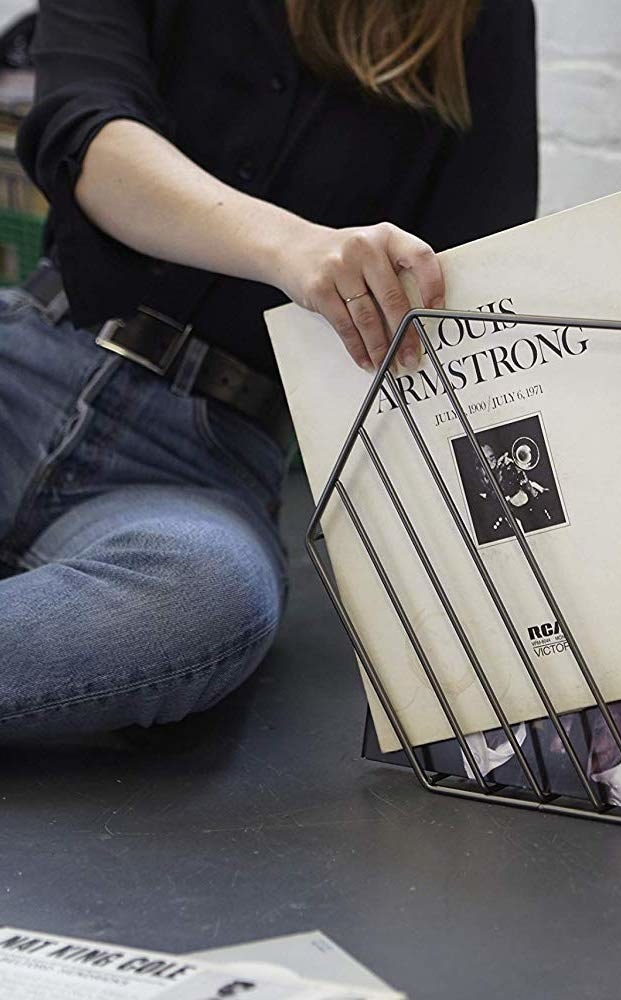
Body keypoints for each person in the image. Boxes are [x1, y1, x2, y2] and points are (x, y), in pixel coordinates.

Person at [0, 0, 538, 737]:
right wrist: (294, 249)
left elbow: (470, 300)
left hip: (200, 463)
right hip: (29, 353)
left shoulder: (481, 16)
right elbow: (83, 131)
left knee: (207, 600)